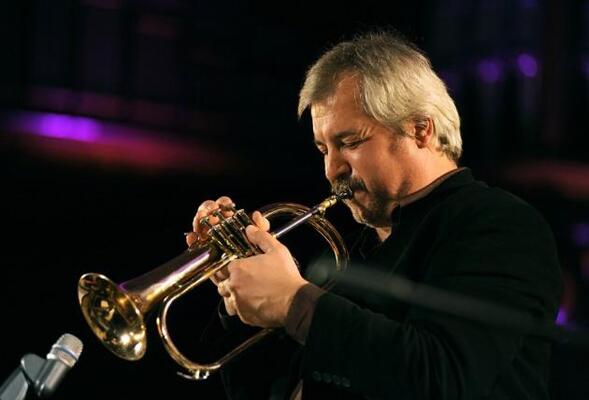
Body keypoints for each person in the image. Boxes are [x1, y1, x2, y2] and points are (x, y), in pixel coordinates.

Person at [186, 31, 562, 399]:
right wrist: (243, 292)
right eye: (323, 149)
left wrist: (294, 302)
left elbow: (444, 377)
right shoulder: (346, 252)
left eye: (350, 142)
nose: (332, 169)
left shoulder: (499, 224)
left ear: (420, 130)